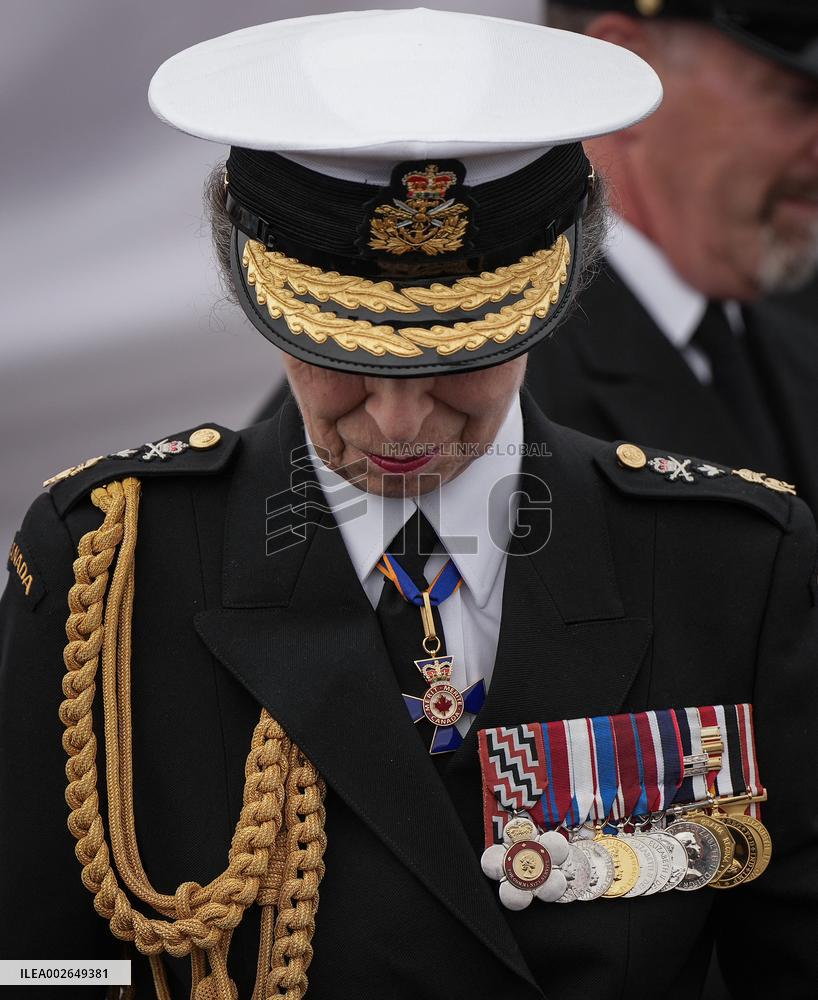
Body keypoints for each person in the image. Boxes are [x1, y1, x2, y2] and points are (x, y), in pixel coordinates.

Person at [1, 9, 817, 1000]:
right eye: (339, 356)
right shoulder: (110, 569)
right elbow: (39, 968)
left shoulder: (724, 560)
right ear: (245, 284)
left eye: (459, 361)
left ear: (555, 292)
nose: (395, 420)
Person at [258, 1, 818, 512]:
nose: (398, 408)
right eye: (801, 98)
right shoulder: (420, 362)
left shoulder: (788, 334)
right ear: (627, 63)